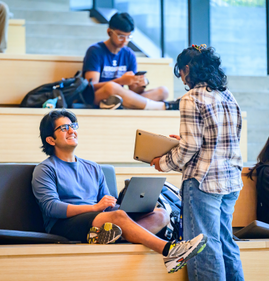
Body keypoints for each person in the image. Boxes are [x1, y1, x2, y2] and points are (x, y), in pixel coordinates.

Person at [31, 109, 207, 274]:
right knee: (118, 217)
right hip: (64, 224)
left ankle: (107, 237)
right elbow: (51, 208)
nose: (71, 131)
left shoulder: (93, 167)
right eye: (64, 128)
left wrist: (125, 207)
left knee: (161, 214)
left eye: (73, 126)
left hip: (99, 221)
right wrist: (95, 208)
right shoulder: (45, 169)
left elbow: (108, 205)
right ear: (51, 140)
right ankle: (169, 250)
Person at [151, 45, 245, 281]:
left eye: (181, 72)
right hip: (231, 181)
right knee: (225, 242)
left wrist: (162, 162)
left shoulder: (190, 98)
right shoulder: (227, 95)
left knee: (204, 247)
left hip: (203, 183)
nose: (181, 78)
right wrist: (184, 142)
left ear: (187, 69)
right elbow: (223, 139)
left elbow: (190, 148)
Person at [82, 12, 179, 110]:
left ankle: (123, 104)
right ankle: (161, 106)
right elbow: (91, 87)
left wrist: (140, 83)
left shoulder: (129, 54)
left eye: (128, 37)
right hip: (97, 96)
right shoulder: (95, 51)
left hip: (120, 96)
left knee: (163, 91)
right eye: (121, 36)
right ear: (109, 32)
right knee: (111, 87)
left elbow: (134, 91)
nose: (125, 41)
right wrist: (120, 81)